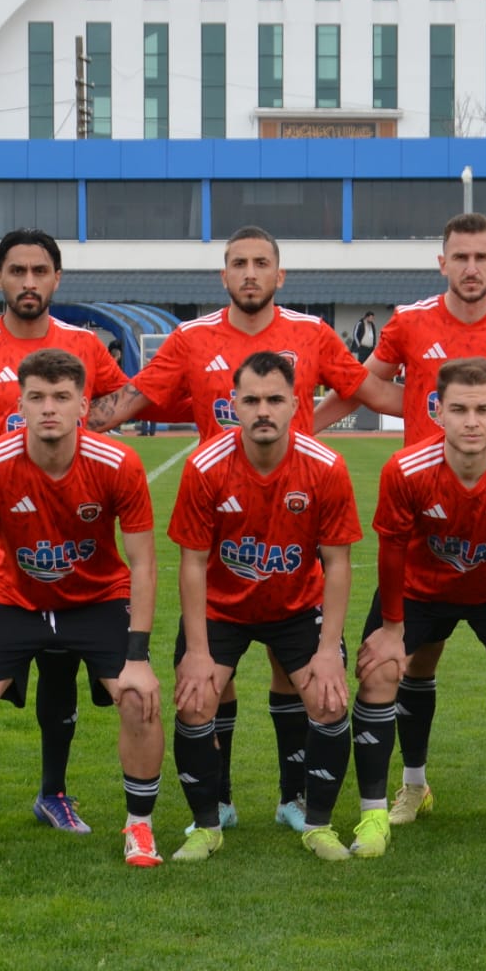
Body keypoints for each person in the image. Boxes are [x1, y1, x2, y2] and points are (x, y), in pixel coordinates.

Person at [86, 227, 396, 832]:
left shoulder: (311, 334)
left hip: (292, 531)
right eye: (238, 263)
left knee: (292, 674)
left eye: (261, 263)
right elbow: (130, 401)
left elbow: (369, 390)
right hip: (218, 531)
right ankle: (220, 802)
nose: (249, 272)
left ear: (281, 276)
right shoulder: (191, 339)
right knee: (208, 684)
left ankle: (292, 797)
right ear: (223, 276)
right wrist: (71, 422)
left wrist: (455, 407)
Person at [317, 212, 486, 818]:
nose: (471, 268)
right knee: (409, 661)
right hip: (425, 518)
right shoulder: (411, 322)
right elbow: (367, 387)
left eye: (483, 257)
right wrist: (303, 427)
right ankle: (414, 786)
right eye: (460, 257)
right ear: (442, 262)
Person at [0, 229, 130, 843]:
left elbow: (113, 404)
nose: (29, 282)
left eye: (40, 271)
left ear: (57, 279)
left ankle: (54, 794)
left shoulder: (84, 348)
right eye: (17, 271)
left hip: (69, 548)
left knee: (61, 669)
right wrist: (5, 501)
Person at [0, 348, 164, 870]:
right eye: (37, 397)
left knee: (138, 696)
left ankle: (141, 828)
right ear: (19, 403)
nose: (49, 408)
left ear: (83, 405)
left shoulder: (119, 464)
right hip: (15, 600)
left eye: (61, 397)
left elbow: (144, 562)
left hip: (95, 600)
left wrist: (138, 655)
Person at [350, 358, 486, 857]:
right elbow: (392, 550)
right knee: (382, 670)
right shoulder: (405, 469)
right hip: (420, 588)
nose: (472, 420)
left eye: (483, 409)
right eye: (460, 409)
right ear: (436, 411)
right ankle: (387, 806)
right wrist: (392, 628)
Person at [165, 352, 363, 862]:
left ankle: (314, 821)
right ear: (232, 405)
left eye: (275, 399)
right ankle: (208, 825)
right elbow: (191, 564)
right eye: (251, 400)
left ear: (296, 404)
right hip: (221, 607)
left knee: (328, 698)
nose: (263, 410)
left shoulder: (326, 467)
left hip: (298, 606)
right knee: (193, 699)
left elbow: (338, 565)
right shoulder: (204, 467)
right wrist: (198, 651)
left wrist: (327, 651)